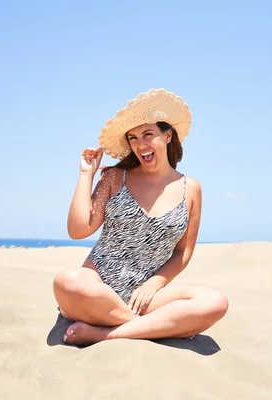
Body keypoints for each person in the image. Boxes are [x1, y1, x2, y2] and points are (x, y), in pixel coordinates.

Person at [53, 88, 229, 346]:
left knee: (215, 302)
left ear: (167, 136)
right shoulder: (114, 177)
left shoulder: (190, 189)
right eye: (134, 138)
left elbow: (182, 254)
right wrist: (86, 175)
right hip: (95, 291)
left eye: (148, 134)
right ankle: (156, 328)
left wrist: (153, 285)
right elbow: (78, 230)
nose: (140, 145)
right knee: (66, 281)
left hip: (145, 298)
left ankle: (105, 333)